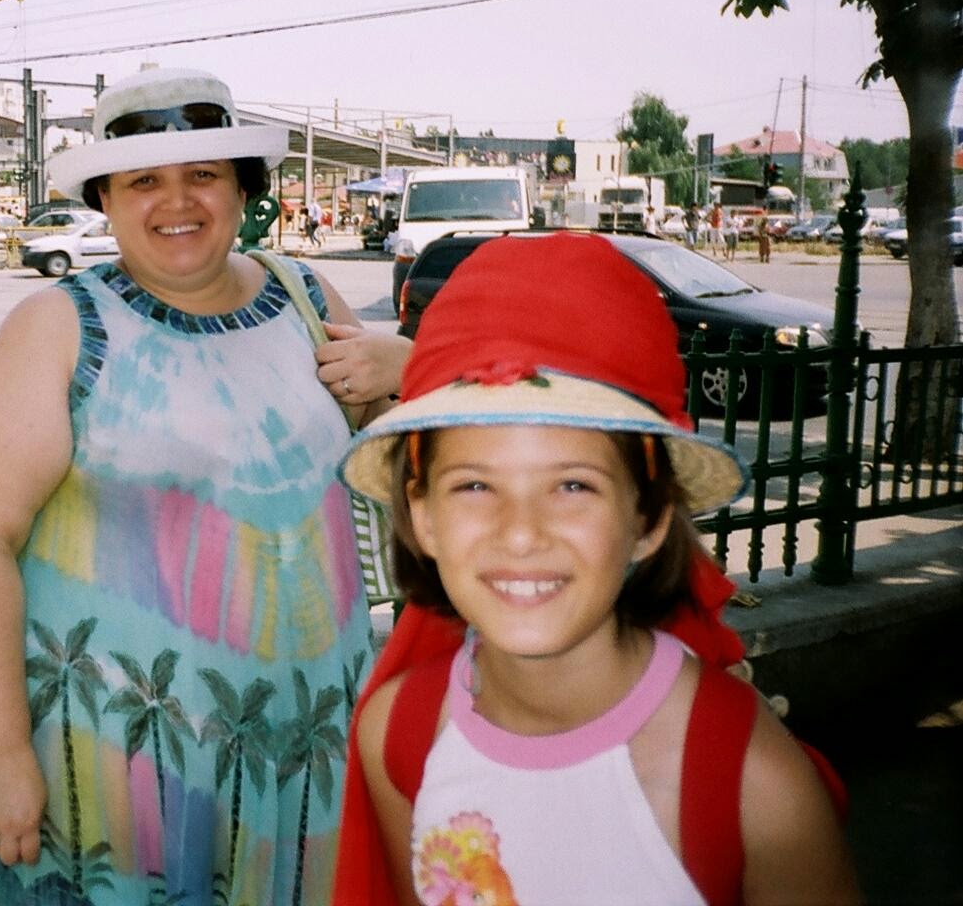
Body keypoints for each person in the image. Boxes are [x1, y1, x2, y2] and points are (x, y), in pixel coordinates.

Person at [0, 67, 410, 906]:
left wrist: (408, 368)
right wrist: (3, 754)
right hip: (121, 775)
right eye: (143, 181)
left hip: (303, 763)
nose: (176, 201)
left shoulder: (304, 295)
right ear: (107, 200)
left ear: (241, 191)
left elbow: (417, 460)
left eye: (202, 175)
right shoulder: (58, 327)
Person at [333, 233, 858, 905]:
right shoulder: (396, 735)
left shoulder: (748, 780)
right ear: (422, 515)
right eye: (473, 486)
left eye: (573, 486)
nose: (520, 534)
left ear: (647, 516)